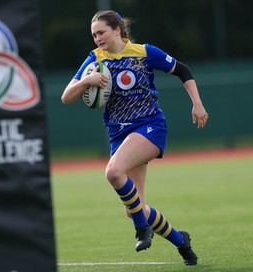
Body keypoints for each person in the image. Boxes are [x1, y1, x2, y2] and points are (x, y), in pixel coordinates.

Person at [61, 10, 208, 266]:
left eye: (101, 33)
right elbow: (66, 97)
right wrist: (87, 80)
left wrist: (197, 103)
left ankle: (142, 230)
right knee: (134, 209)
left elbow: (182, 70)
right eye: (94, 34)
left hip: (149, 126)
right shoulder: (95, 60)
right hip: (118, 133)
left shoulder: (144, 52)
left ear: (117, 29)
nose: (97, 38)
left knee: (113, 172)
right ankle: (180, 240)